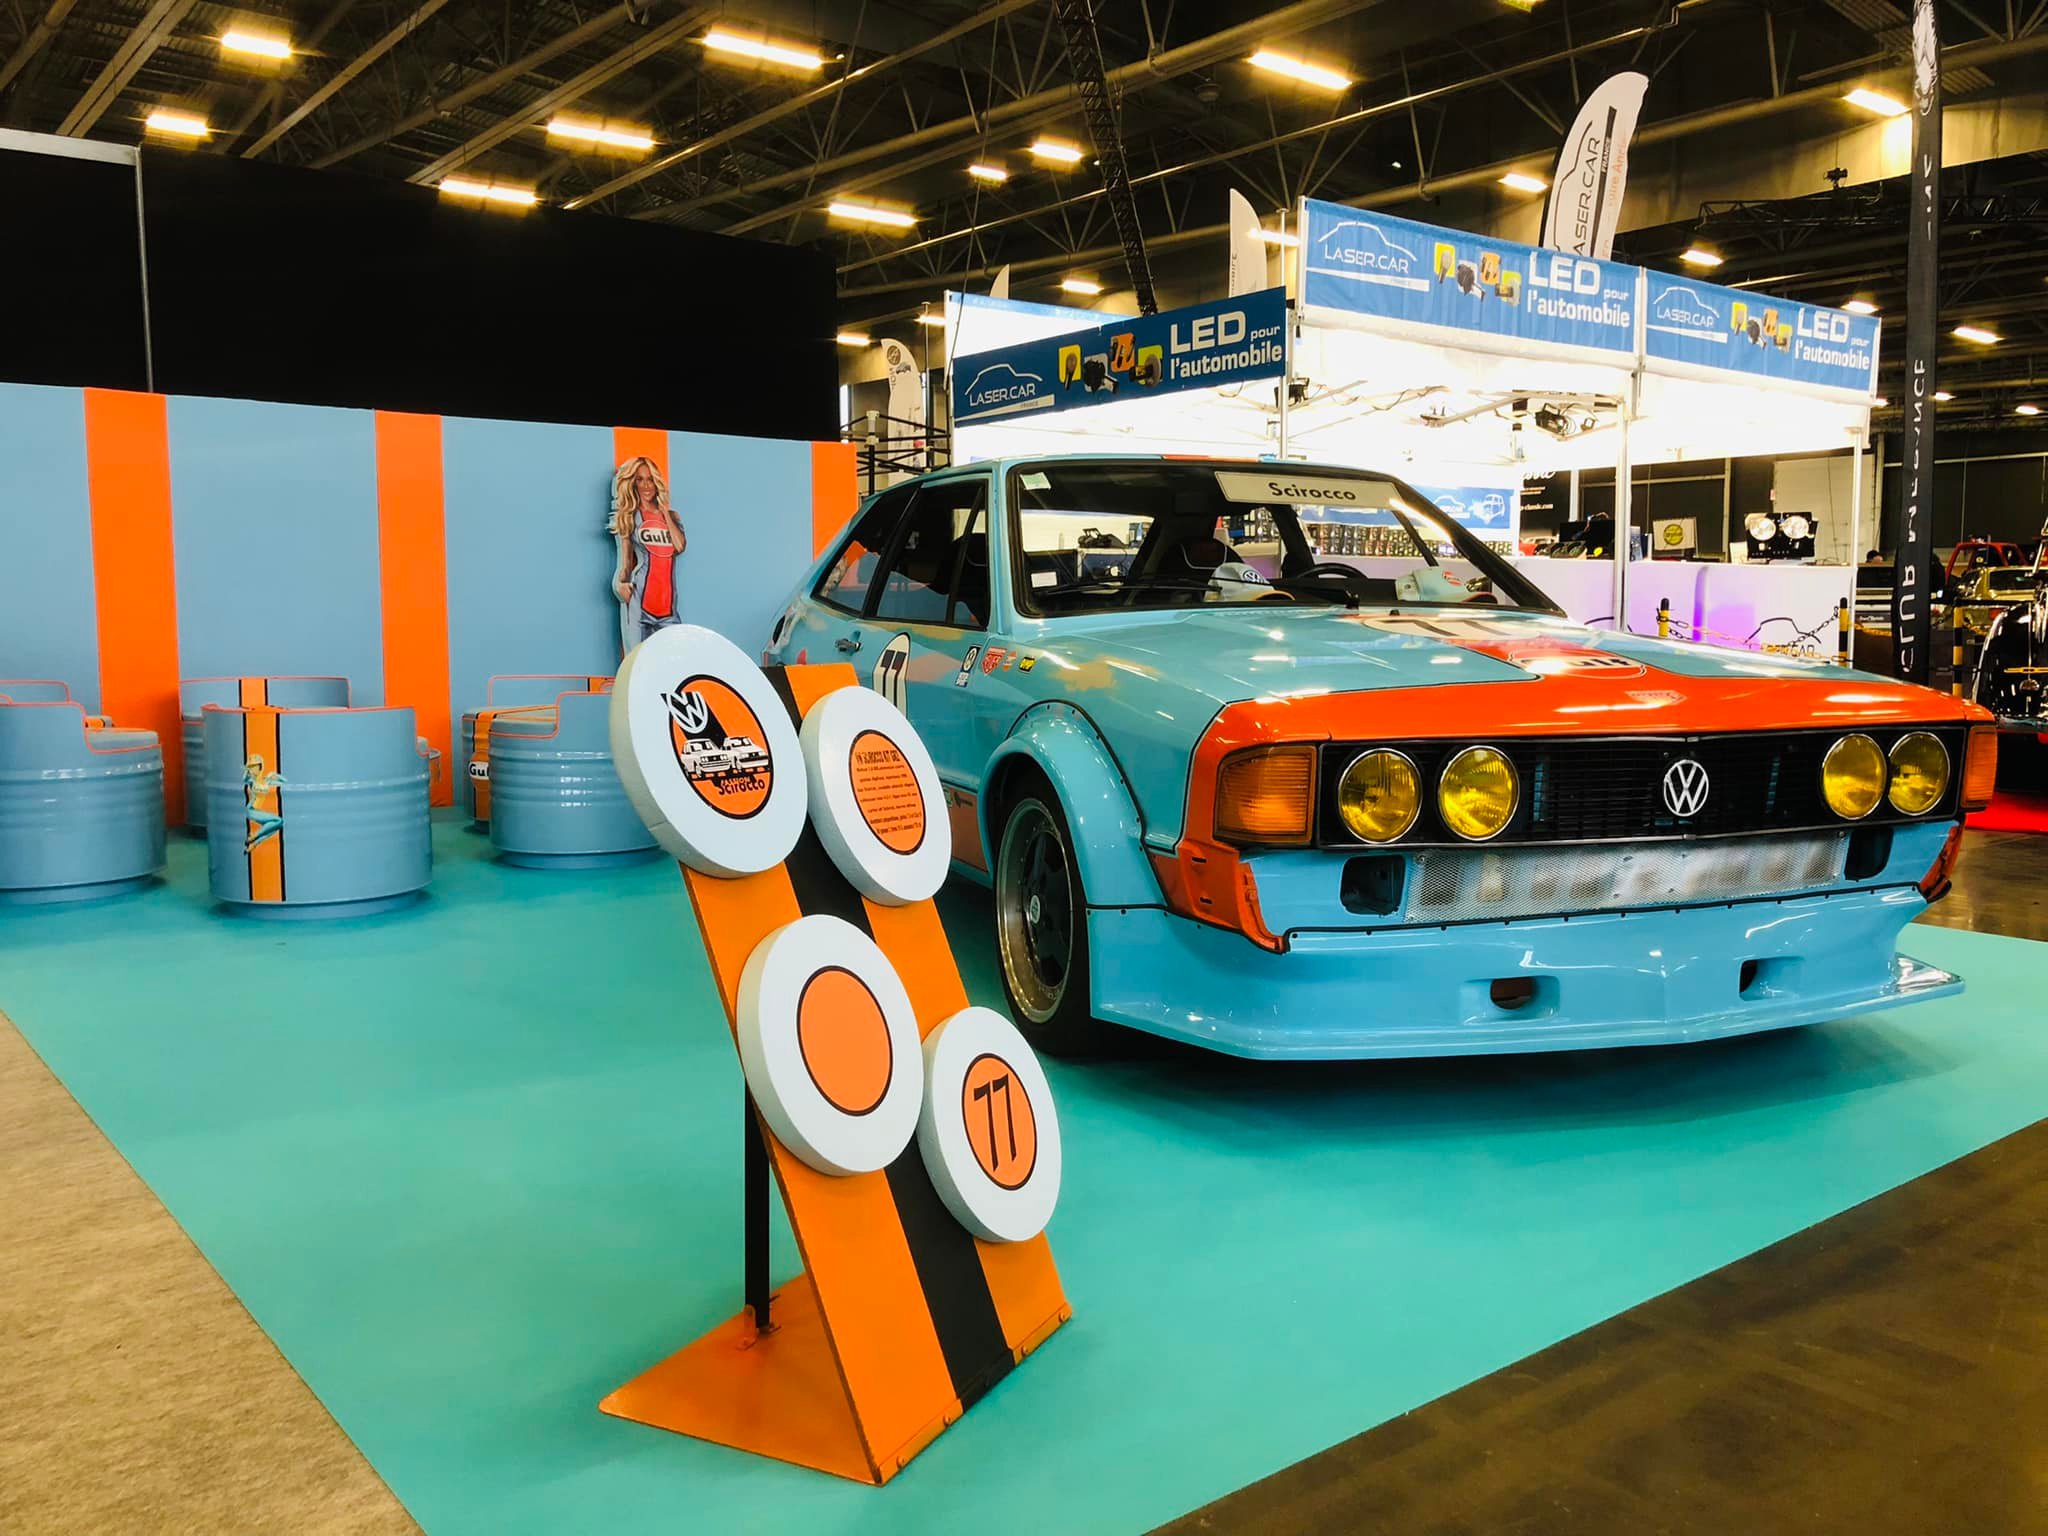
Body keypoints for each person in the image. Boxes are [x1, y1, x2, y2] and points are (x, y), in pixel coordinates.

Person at [609, 456, 687, 654]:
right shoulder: (630, 517)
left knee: (674, 660)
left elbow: (679, 546)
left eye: (650, 479)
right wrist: (620, 584)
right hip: (640, 605)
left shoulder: (672, 516)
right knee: (637, 662)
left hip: (669, 610)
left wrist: (664, 512)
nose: (646, 485)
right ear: (633, 483)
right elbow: (626, 560)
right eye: (640, 479)